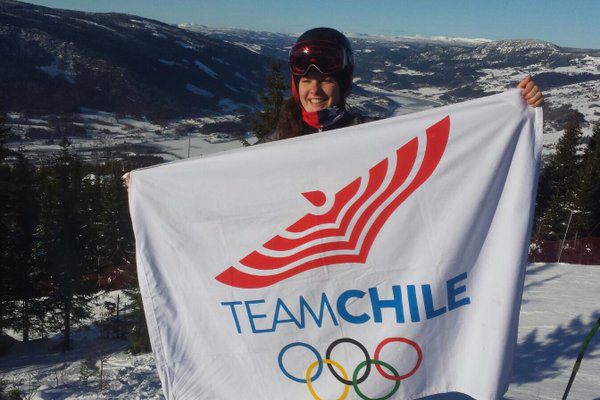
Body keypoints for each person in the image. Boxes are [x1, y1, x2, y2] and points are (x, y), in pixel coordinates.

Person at [260, 27, 543, 143]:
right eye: (306, 81)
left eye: (326, 81)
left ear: (344, 85)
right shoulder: (274, 145)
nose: (315, 91)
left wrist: (512, 109)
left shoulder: (373, 134)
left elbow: (448, 145)